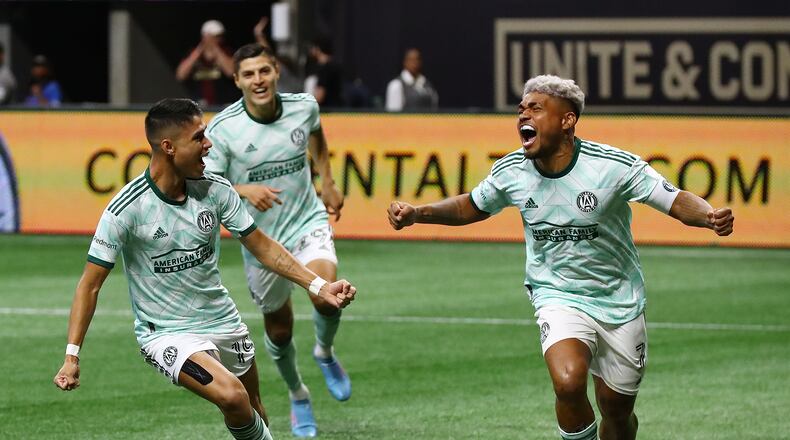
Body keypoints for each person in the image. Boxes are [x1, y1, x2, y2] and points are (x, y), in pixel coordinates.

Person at [387, 75, 734, 440]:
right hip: (557, 294)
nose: (523, 113)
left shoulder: (611, 166)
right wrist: (418, 213)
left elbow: (672, 197)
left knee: (616, 409)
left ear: (567, 120)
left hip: (619, 298)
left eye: (535, 107)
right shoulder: (511, 171)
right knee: (568, 383)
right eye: (521, 108)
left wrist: (708, 217)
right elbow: (471, 205)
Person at [52, 98, 357, 440]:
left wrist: (317, 286)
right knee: (232, 396)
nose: (208, 145)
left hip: (223, 320)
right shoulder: (127, 208)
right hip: (168, 333)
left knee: (254, 409)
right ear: (168, 147)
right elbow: (90, 285)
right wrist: (72, 355)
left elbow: (263, 246)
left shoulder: (215, 188)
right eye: (199, 137)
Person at [204, 43, 348, 438]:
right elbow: (205, 183)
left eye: (264, 71)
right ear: (236, 81)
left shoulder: (304, 106)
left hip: (306, 220)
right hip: (260, 239)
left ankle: (325, 351)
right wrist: (243, 189)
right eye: (248, 74)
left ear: (276, 73)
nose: (258, 80)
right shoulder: (223, 129)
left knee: (326, 294)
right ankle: (297, 393)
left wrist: (328, 182)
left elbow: (316, 138)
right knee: (279, 330)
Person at [175, 20, 237, 106]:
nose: (219, 39)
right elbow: (180, 75)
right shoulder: (193, 54)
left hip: (223, 105)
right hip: (200, 105)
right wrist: (199, 50)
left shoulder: (227, 52)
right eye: (215, 36)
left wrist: (216, 49)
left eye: (220, 36)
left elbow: (230, 72)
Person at [303, 36, 344, 108]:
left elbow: (320, 96)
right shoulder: (335, 66)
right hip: (336, 110)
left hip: (326, 112)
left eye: (312, 47)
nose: (310, 50)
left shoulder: (325, 69)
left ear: (318, 49)